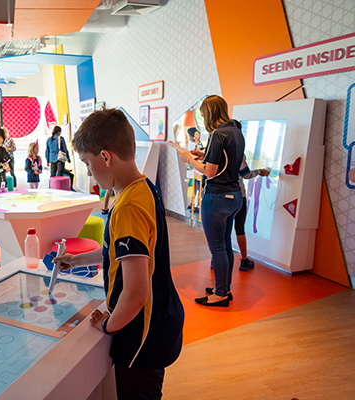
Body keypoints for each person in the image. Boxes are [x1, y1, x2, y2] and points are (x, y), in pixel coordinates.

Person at [55, 109, 184, 400]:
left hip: (141, 332)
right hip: (161, 318)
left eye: (88, 163)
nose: (88, 172)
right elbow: (119, 254)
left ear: (105, 157)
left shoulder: (127, 207)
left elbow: (136, 292)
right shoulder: (143, 188)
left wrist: (108, 324)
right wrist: (75, 261)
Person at [178, 95, 245, 307]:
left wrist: (188, 159)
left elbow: (210, 171)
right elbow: (227, 161)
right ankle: (224, 288)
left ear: (209, 114)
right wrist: (203, 154)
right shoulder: (236, 131)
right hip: (235, 195)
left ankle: (220, 295)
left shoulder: (217, 134)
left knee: (217, 247)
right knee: (225, 245)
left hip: (217, 197)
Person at [235, 157, 270, 271]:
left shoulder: (216, 150)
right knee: (239, 227)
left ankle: (216, 261)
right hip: (238, 195)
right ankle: (244, 260)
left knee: (223, 230)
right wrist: (260, 172)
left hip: (220, 196)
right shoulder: (237, 150)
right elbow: (246, 174)